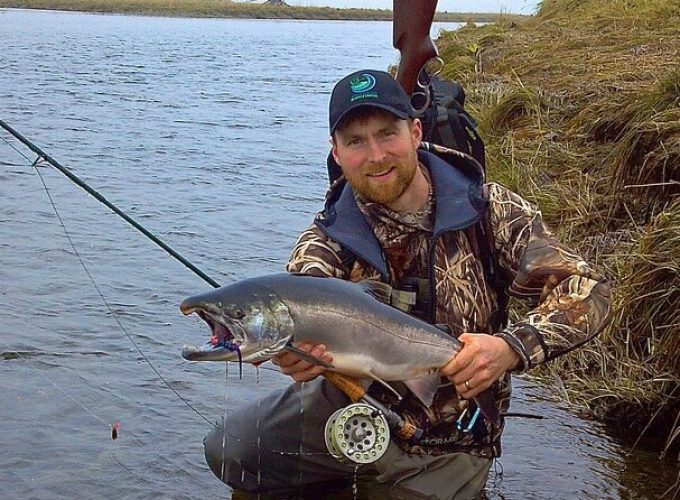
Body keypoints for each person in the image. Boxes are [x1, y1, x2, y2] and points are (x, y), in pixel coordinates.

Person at [203, 69, 611, 499]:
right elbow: (301, 295)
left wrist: (509, 348)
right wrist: (296, 356)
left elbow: (589, 291)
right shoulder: (326, 237)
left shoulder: (490, 210)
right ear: (336, 153)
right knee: (234, 450)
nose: (376, 155)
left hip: (453, 432)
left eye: (387, 134)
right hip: (350, 405)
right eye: (356, 141)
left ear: (415, 131)